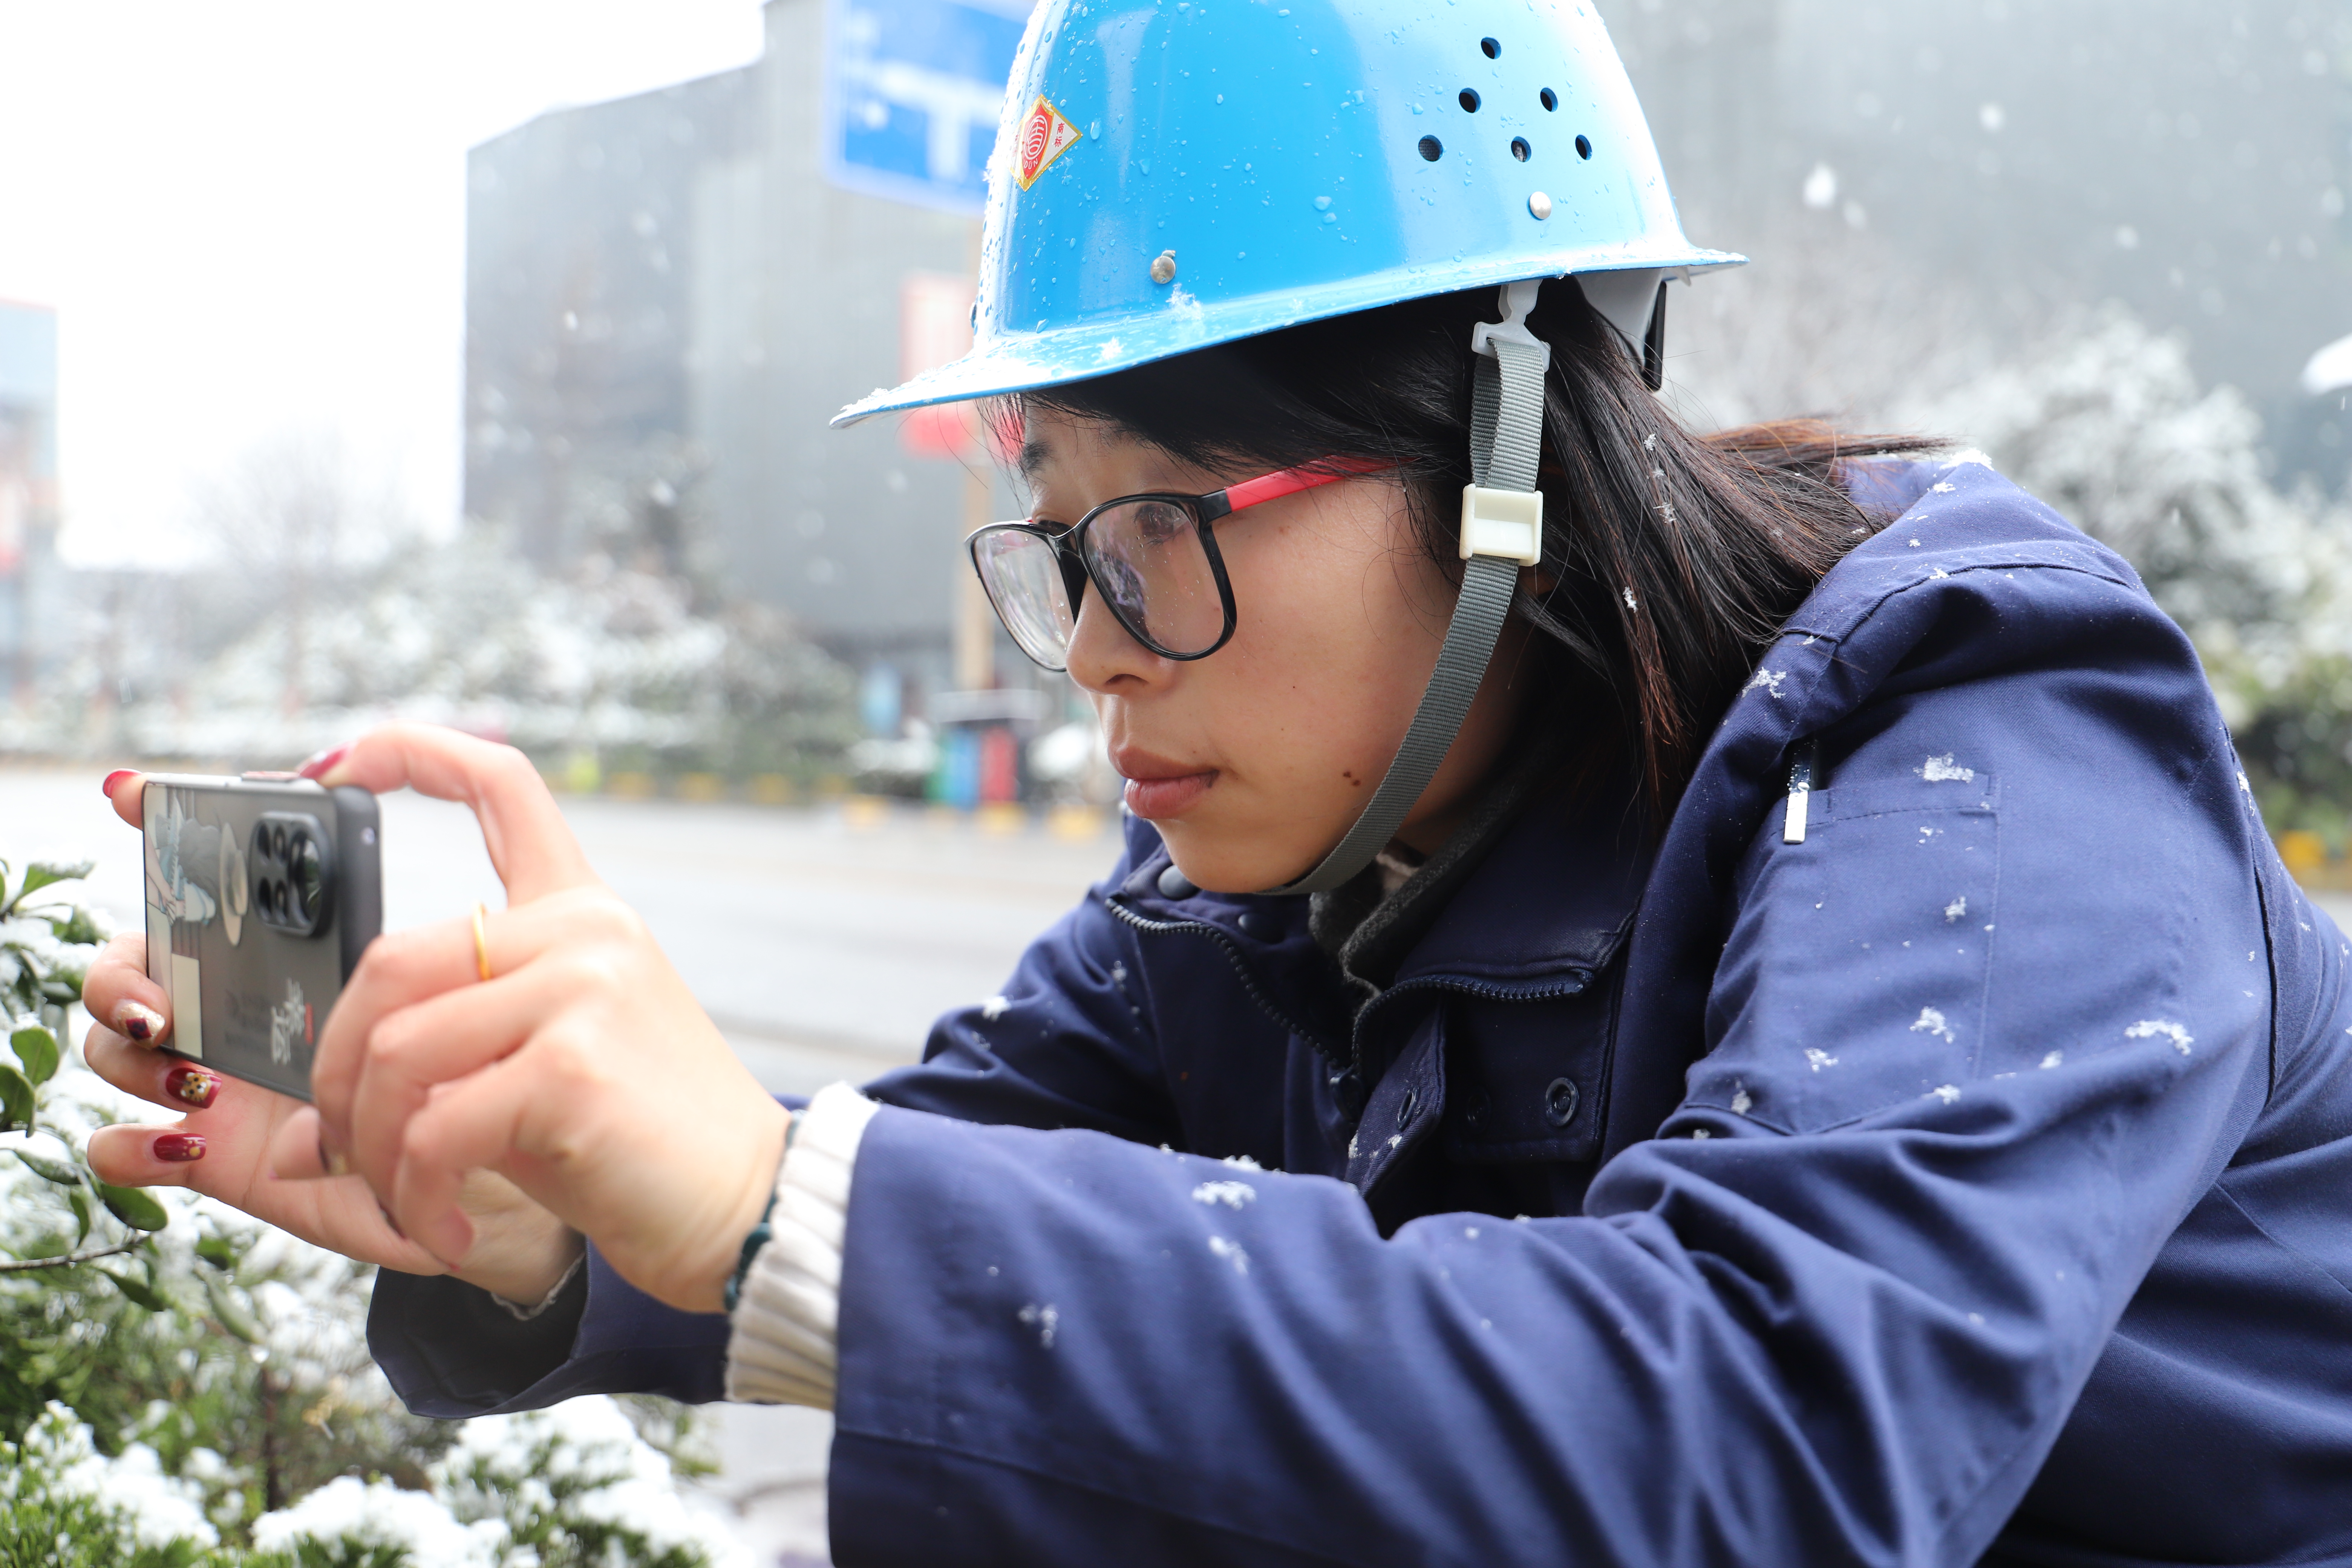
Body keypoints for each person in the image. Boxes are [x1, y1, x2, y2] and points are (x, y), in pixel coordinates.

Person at [77, 0, 2352, 1560]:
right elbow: (912, 1190)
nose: (1088, 653)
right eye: (1054, 546)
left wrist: (772, 1200)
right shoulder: (1284, 865)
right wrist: (552, 1211)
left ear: (1499, 451)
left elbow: (1767, 1446)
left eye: (1155, 539)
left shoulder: (1981, 723)